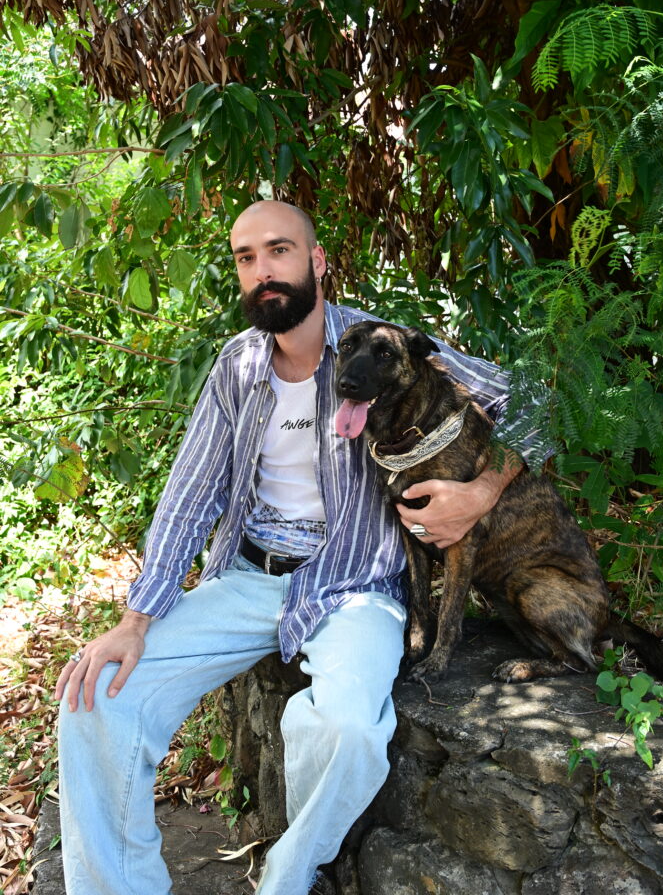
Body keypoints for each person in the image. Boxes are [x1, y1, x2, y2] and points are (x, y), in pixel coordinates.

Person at [55, 199, 549, 895]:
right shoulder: (238, 366)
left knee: (346, 731)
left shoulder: (381, 346)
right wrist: (136, 622)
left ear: (316, 262)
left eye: (279, 251)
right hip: (249, 579)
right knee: (95, 695)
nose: (264, 271)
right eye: (246, 257)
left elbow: (528, 404)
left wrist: (482, 494)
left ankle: (285, 881)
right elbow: (190, 494)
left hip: (356, 590)